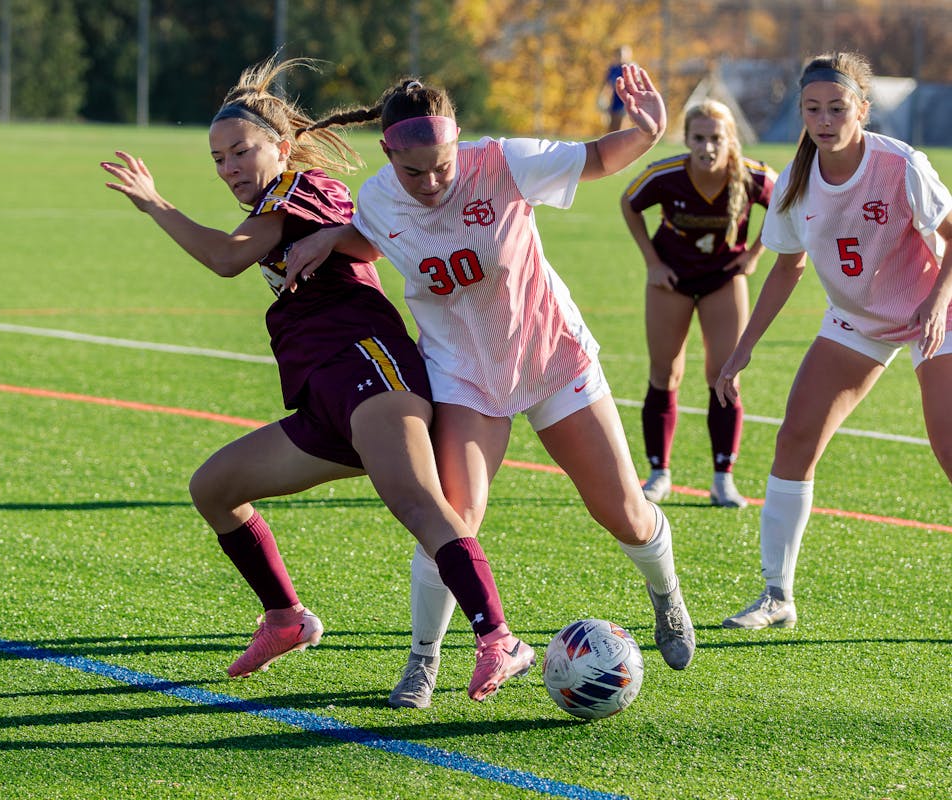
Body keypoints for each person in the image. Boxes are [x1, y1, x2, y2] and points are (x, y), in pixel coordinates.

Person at [99, 55, 535, 703]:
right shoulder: (287, 198)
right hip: (323, 393)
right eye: (218, 160)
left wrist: (156, 204)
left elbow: (227, 258)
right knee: (215, 489)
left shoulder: (299, 190)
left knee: (422, 507)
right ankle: (285, 619)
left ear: (279, 146)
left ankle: (499, 638)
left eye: (240, 152)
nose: (228, 170)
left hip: (369, 368)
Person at [284, 62, 696, 710]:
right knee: (450, 516)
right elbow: (372, 238)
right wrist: (333, 237)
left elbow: (595, 159)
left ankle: (667, 598)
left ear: (458, 143)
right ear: (389, 154)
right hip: (462, 372)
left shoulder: (504, 162)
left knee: (624, 512)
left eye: (441, 166)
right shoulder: (379, 197)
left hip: (549, 356)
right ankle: (423, 662)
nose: (430, 182)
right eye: (412, 171)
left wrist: (646, 130)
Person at [716, 52, 952, 630]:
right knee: (795, 438)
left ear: (862, 110)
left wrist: (935, 303)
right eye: (813, 109)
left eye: (838, 108)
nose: (825, 120)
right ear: (801, 112)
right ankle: (777, 596)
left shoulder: (900, 165)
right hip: (856, 321)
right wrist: (744, 347)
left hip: (935, 313)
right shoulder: (794, 183)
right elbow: (785, 269)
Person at [621, 99, 778, 508]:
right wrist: (652, 262)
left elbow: (786, 204)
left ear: (730, 138)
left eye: (716, 137)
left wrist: (757, 252)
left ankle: (723, 478)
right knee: (664, 373)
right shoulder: (667, 174)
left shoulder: (751, 175)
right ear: (687, 138)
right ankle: (658, 474)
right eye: (699, 138)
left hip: (722, 281)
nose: (707, 146)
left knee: (724, 376)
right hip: (670, 280)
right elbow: (629, 202)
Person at [599, 46, 634, 132]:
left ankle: (624, 145)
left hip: (626, 100)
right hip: (614, 101)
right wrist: (601, 97)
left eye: (622, 54)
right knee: (611, 129)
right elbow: (606, 83)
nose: (620, 57)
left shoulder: (630, 68)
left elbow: (637, 86)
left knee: (621, 128)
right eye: (618, 54)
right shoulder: (613, 68)